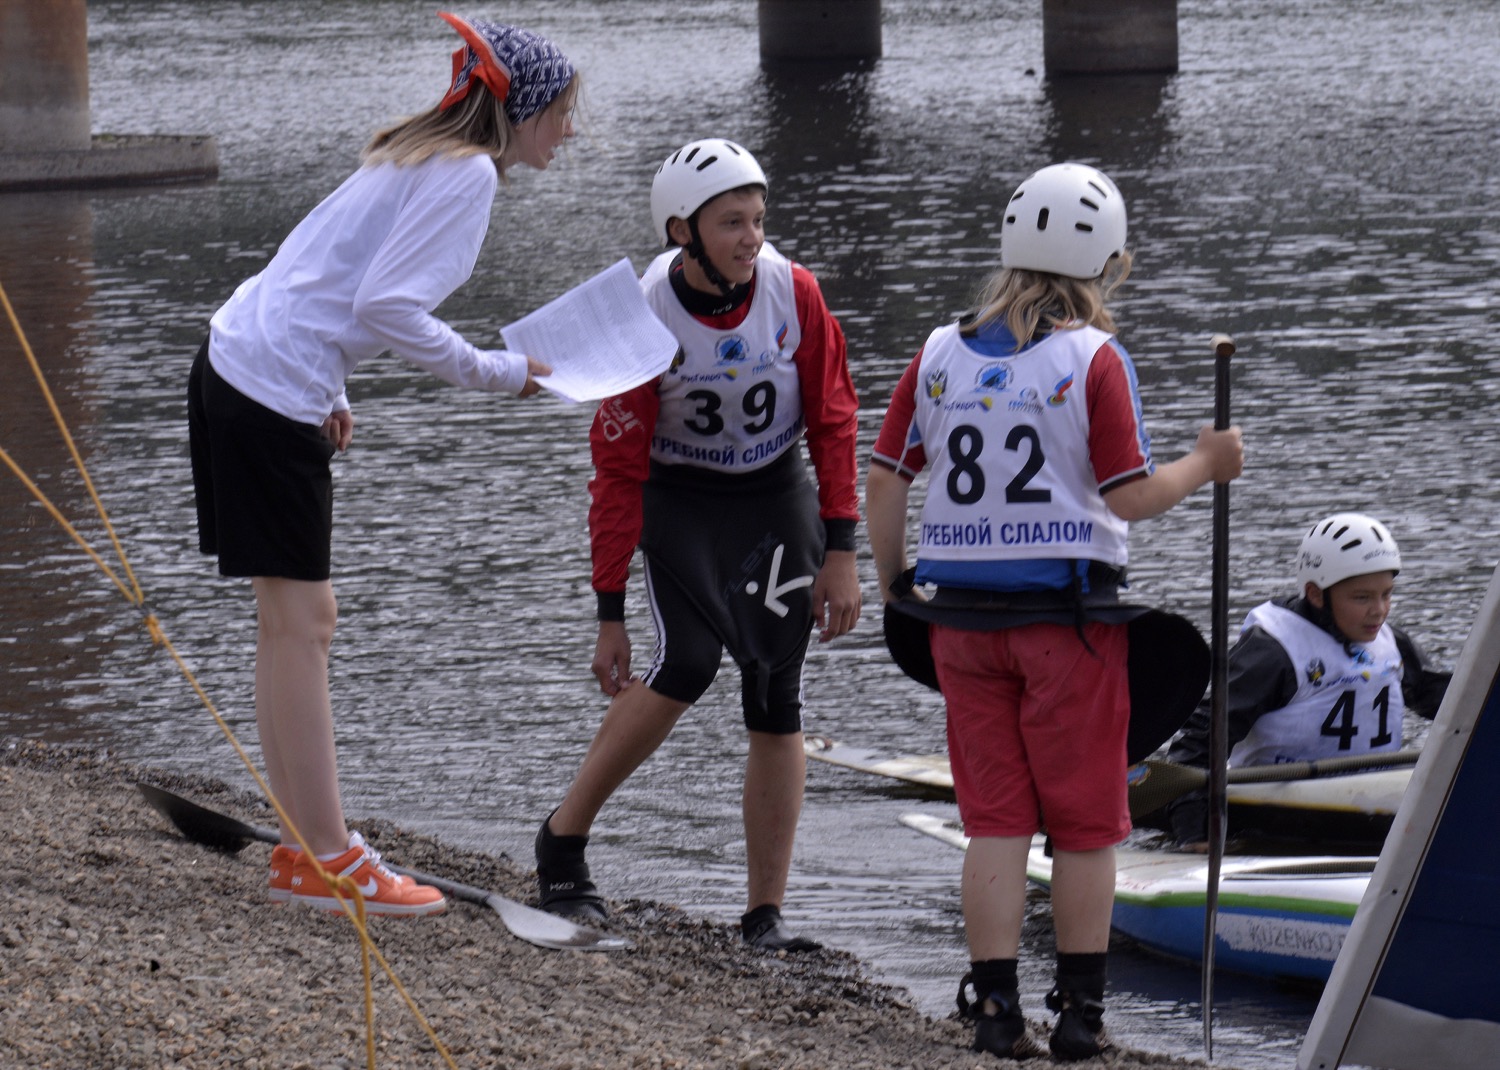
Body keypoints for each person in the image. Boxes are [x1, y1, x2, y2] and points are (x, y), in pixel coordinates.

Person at [187, 12, 578, 915]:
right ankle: (331, 860)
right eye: (563, 110)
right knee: (305, 623)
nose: (570, 129)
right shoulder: (466, 171)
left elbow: (316, 267)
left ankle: (303, 850)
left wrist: (331, 386)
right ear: (521, 109)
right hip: (267, 386)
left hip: (237, 361)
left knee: (287, 623)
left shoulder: (417, 152)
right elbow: (388, 308)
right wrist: (501, 372)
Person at [864, 162, 1244, 1060]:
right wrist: (1206, 464)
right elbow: (1130, 497)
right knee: (1082, 825)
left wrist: (896, 584)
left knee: (995, 822)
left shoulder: (938, 352)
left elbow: (885, 480)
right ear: (1106, 264)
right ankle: (1080, 1014)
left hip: (961, 625)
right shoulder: (1094, 358)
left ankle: (996, 1012)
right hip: (1068, 628)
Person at [533, 137, 862, 952]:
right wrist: (609, 612)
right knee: (686, 663)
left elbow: (833, 420)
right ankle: (563, 841)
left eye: (758, 219)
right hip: (678, 498)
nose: (752, 238)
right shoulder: (645, 312)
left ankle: (764, 915)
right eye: (731, 224)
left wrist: (843, 550)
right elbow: (615, 473)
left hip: (772, 492)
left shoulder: (794, 291)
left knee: (775, 688)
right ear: (682, 232)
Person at [1164, 512, 1450, 849]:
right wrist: (1195, 832)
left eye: (1386, 594)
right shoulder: (1274, 652)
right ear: (1316, 594)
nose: (1379, 610)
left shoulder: (1390, 643)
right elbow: (1204, 736)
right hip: (1276, 814)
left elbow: (1454, 705)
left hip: (1368, 800)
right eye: (1362, 597)